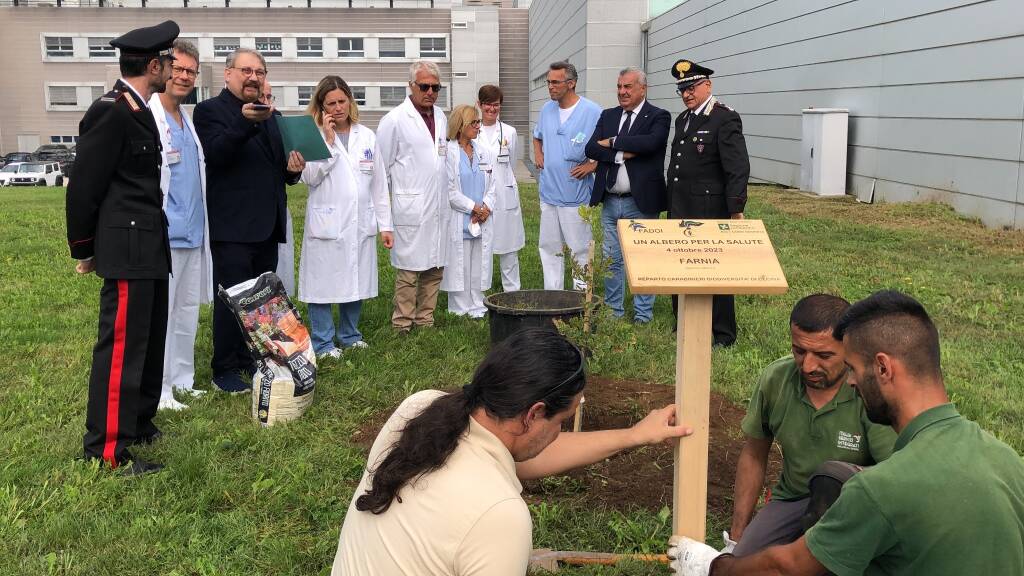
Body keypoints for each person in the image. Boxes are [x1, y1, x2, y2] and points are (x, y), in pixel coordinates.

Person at [669, 290, 1024, 576]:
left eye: (852, 368)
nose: (851, 381)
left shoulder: (880, 488)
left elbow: (787, 568)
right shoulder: (1007, 459)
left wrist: (712, 565)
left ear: (883, 368)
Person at [330, 328, 693, 575]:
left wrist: (633, 435)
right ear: (534, 413)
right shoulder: (499, 515)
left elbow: (530, 452)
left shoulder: (421, 411)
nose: (560, 431)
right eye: (562, 420)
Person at [65, 20, 179, 475]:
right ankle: (107, 450)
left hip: (148, 245)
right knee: (121, 350)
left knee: (147, 343)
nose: (170, 67)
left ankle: (138, 424)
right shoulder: (111, 111)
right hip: (127, 248)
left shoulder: (139, 109)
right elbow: (83, 187)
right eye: (167, 61)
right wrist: (84, 249)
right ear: (152, 65)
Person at [726, 294, 896, 556]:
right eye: (799, 351)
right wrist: (737, 537)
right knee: (740, 563)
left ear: (849, 349)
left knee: (832, 477)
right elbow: (753, 454)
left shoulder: (868, 390)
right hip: (792, 497)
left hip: (855, 503)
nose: (808, 365)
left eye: (823, 355)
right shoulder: (776, 379)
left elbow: (894, 473)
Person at [193, 48, 306, 393]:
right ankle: (224, 368)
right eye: (246, 70)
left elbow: (277, 166)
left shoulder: (272, 115)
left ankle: (251, 356)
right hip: (233, 226)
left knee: (260, 301)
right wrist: (245, 122)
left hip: (267, 225)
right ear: (228, 74)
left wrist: (292, 171)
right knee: (233, 298)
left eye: (259, 71)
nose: (253, 77)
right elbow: (217, 154)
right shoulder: (210, 110)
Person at [299, 76, 394, 359]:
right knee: (321, 283)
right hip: (327, 222)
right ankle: (324, 342)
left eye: (342, 101)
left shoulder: (366, 136)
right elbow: (309, 177)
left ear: (350, 102)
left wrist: (385, 224)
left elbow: (379, 184)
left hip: (359, 222)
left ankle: (350, 335)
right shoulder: (312, 135)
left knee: (357, 278)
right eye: (331, 103)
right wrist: (327, 144)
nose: (338, 108)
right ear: (321, 106)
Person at [666, 59, 749, 347]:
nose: (687, 94)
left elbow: (737, 167)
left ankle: (722, 333)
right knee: (681, 266)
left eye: (691, 87)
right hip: (681, 206)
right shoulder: (683, 120)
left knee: (714, 269)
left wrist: (735, 208)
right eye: (682, 90)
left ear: (707, 85)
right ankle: (683, 323)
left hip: (709, 210)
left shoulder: (724, 117)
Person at [148, 39, 211, 412]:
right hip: (165, 233)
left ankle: (183, 380)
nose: (184, 76)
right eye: (179, 68)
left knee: (187, 310)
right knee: (163, 314)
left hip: (193, 232)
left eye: (191, 71)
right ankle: (161, 388)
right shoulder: (151, 116)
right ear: (162, 69)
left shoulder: (186, 120)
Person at [584, 67, 671, 324]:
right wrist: (623, 153)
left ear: (642, 88)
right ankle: (613, 311)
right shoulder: (608, 115)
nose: (622, 92)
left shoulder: (659, 116)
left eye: (628, 87)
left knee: (644, 260)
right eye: (619, 86)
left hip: (640, 202)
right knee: (612, 260)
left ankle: (643, 314)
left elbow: (650, 144)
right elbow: (589, 147)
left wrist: (611, 143)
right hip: (611, 201)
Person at [377, 61, 450, 334]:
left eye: (435, 87)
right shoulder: (394, 120)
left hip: (438, 204)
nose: (430, 92)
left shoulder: (441, 117)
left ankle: (425, 319)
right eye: (424, 86)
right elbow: (380, 171)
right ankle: (402, 323)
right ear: (411, 86)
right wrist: (383, 217)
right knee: (408, 269)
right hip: (411, 204)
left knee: (434, 266)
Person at [532, 61, 601, 291]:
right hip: (549, 192)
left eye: (555, 82)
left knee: (579, 248)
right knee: (549, 247)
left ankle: (582, 298)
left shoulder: (592, 112)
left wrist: (592, 167)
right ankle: (553, 295)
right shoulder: (546, 110)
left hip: (576, 194)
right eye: (548, 82)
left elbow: (609, 145)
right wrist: (538, 153)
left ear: (571, 84)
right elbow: (537, 135)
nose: (550, 86)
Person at [441, 104, 495, 318]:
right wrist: (474, 208)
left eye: (478, 122)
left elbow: (493, 184)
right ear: (460, 125)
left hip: (481, 218)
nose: (478, 127)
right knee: (459, 264)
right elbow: (450, 191)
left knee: (477, 261)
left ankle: (477, 303)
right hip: (461, 216)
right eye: (474, 122)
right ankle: (460, 307)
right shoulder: (449, 153)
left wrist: (486, 208)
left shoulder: (483, 152)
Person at [475, 85, 525, 292]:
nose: (492, 109)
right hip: (480, 195)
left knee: (508, 247)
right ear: (479, 104)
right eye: (487, 104)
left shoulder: (509, 132)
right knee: (479, 247)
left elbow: (511, 163)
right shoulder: (471, 130)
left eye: (496, 105)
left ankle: (512, 292)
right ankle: (479, 292)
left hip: (505, 196)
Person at [261, 80, 297, 299]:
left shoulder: (277, 120)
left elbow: (286, 172)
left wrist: (294, 170)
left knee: (273, 281)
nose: (267, 104)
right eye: (261, 98)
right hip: (243, 219)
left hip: (274, 211)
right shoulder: (232, 119)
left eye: (269, 97)